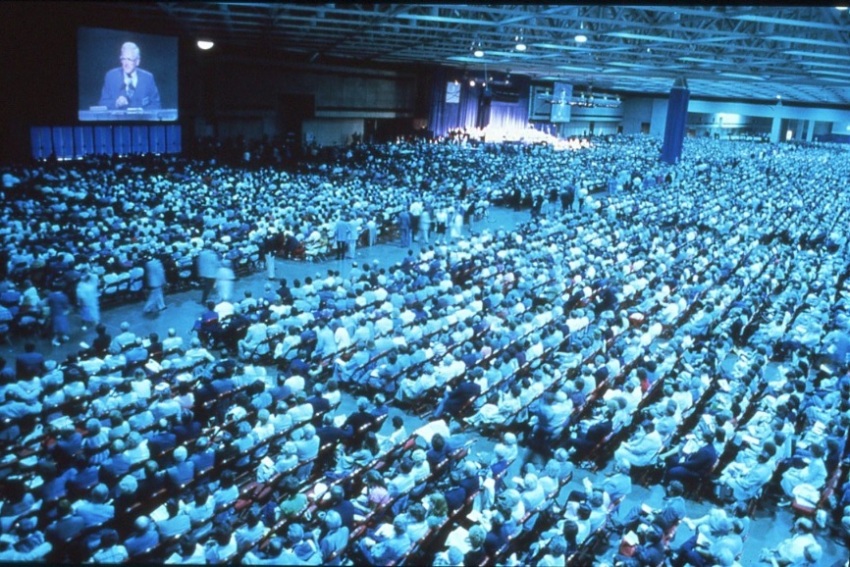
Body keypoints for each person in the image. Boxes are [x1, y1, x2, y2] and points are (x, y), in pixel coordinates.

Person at [98, 42, 161, 110]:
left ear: (137, 61)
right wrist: (116, 103)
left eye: (129, 59)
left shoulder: (148, 78)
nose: (126, 63)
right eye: (123, 59)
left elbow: (156, 105)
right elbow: (103, 103)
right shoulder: (111, 76)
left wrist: (141, 112)